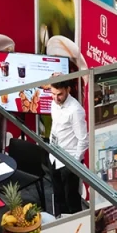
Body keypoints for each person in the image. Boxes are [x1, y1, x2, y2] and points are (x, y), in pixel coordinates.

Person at [48, 83, 88, 215]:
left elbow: (84, 139)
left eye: (59, 94)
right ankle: (60, 227)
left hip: (69, 161)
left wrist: (74, 163)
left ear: (68, 89)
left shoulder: (75, 110)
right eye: (53, 94)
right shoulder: (54, 103)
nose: (56, 98)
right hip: (54, 157)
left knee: (72, 202)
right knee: (58, 197)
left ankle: (75, 232)